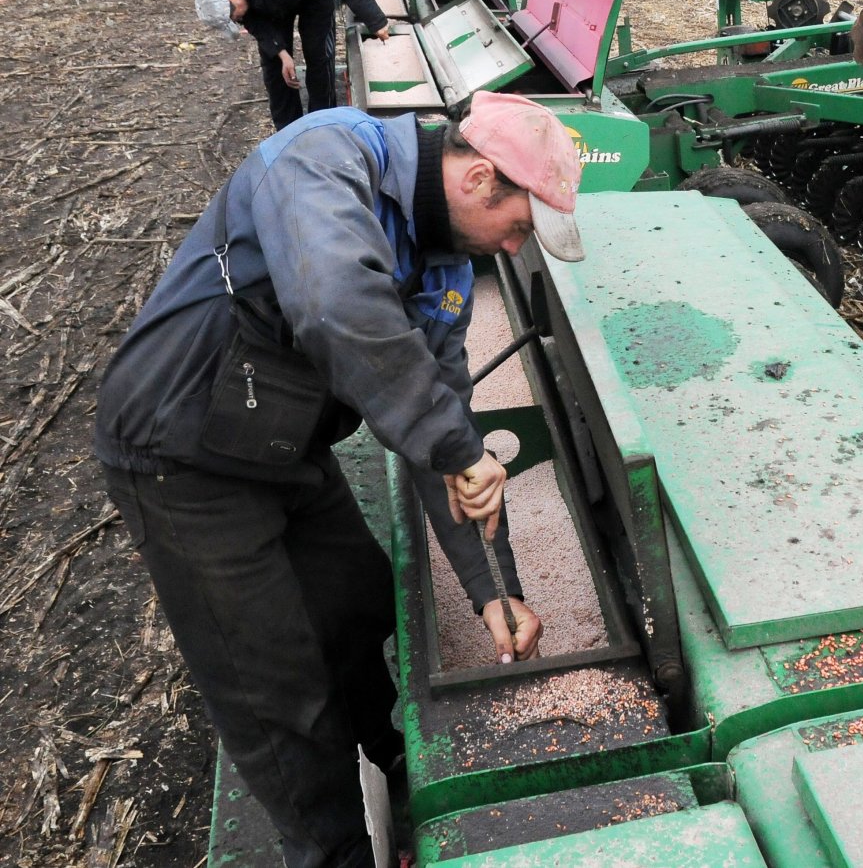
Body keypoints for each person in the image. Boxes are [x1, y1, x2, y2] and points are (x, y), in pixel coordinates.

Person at [94, 91, 586, 868]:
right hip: (181, 450)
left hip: (279, 440)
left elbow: (442, 417)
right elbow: (336, 305)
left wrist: (495, 587)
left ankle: (389, 762)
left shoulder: (447, 263)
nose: (513, 248)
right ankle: (335, 848)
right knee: (277, 693)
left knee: (357, 600)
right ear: (479, 178)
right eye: (520, 227)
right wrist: (456, 447)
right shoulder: (326, 160)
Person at [195, 0, 393, 132]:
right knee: (274, 66)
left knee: (318, 54)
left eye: (234, 18)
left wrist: (375, 20)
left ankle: (323, 123)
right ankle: (288, 130)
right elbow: (252, 21)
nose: (237, 22)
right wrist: (281, 53)